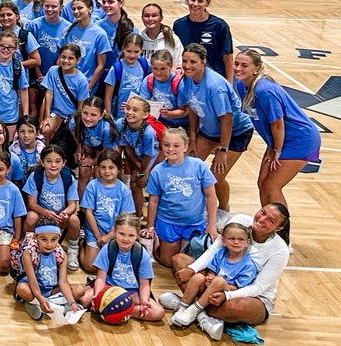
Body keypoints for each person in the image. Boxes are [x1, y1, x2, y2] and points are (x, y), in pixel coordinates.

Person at [167, 203, 292, 337]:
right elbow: (214, 250)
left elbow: (258, 287)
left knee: (238, 307)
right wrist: (193, 269)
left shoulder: (280, 251)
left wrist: (227, 296)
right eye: (262, 212)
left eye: (270, 220)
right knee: (180, 261)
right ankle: (201, 314)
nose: (262, 219)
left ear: (278, 228)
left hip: (250, 295)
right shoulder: (239, 220)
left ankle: (189, 305)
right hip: (215, 280)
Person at [233, 48, 322, 206]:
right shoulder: (241, 86)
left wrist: (276, 151)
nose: (238, 68)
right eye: (236, 64)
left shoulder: (264, 91)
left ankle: (280, 223)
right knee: (262, 184)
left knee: (271, 186)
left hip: (300, 139)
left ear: (256, 69)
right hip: (279, 140)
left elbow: (277, 124)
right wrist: (271, 145)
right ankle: (266, 221)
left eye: (244, 65)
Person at [180, 43, 253, 211]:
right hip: (210, 130)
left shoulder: (215, 86)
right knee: (188, 167)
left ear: (203, 62)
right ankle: (191, 208)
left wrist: (222, 150)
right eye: (185, 61)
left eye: (193, 62)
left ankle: (223, 210)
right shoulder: (188, 80)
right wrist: (192, 139)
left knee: (216, 175)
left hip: (236, 132)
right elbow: (193, 108)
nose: (187, 66)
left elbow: (226, 120)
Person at [144, 127, 218, 267]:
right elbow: (153, 201)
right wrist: (150, 225)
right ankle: (157, 244)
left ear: (185, 147)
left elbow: (211, 196)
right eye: (166, 145)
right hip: (168, 222)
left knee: (184, 261)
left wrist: (211, 225)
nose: (171, 149)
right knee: (168, 262)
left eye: (176, 145)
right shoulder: (157, 171)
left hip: (194, 223)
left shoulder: (199, 166)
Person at [170, 221, 259, 330]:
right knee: (198, 277)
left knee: (219, 281)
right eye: (231, 238)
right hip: (211, 286)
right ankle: (182, 307)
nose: (236, 242)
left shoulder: (248, 265)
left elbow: (237, 288)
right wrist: (209, 277)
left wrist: (218, 284)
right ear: (224, 241)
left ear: (247, 243)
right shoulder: (220, 253)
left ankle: (194, 310)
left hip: (227, 292)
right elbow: (212, 270)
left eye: (241, 239)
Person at [78, 213, 164, 322]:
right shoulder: (107, 249)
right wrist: (98, 295)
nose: (126, 239)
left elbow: (144, 285)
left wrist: (144, 301)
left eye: (131, 235)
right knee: (84, 300)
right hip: (108, 289)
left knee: (158, 312)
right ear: (114, 231)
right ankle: (115, 309)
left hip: (131, 293)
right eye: (121, 234)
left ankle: (113, 310)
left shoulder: (142, 254)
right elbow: (100, 278)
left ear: (137, 235)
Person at [16, 219, 84, 321]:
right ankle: (58, 307)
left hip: (51, 290)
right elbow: (32, 281)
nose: (49, 244)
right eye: (44, 239)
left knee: (79, 290)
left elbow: (63, 282)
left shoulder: (61, 254)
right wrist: (40, 298)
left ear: (59, 238)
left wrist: (72, 302)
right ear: (36, 237)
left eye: (54, 240)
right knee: (21, 289)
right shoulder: (29, 253)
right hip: (33, 288)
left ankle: (38, 305)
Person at [79, 148, 134, 272]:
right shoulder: (92, 185)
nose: (107, 171)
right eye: (103, 167)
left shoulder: (124, 190)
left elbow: (125, 218)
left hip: (115, 232)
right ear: (98, 168)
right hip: (95, 230)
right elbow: (88, 213)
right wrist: (98, 236)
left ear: (118, 169)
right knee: (90, 266)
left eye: (111, 167)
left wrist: (110, 236)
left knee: (116, 265)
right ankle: (82, 244)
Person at [173, 0, 234, 80]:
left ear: (207, 3)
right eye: (192, 0)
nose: (195, 4)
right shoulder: (178, 25)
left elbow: (227, 57)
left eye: (200, 1)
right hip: (187, 77)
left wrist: (229, 83)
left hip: (213, 78)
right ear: (187, 0)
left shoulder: (219, 26)